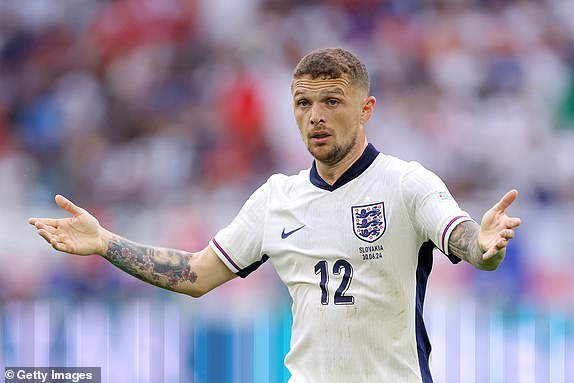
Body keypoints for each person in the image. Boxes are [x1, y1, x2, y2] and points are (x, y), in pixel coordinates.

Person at [29, 48, 521, 383]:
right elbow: (197, 274)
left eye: (332, 101)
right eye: (303, 103)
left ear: (366, 108)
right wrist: (104, 242)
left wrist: (484, 245)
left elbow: (465, 241)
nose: (315, 116)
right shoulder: (275, 198)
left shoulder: (405, 183)